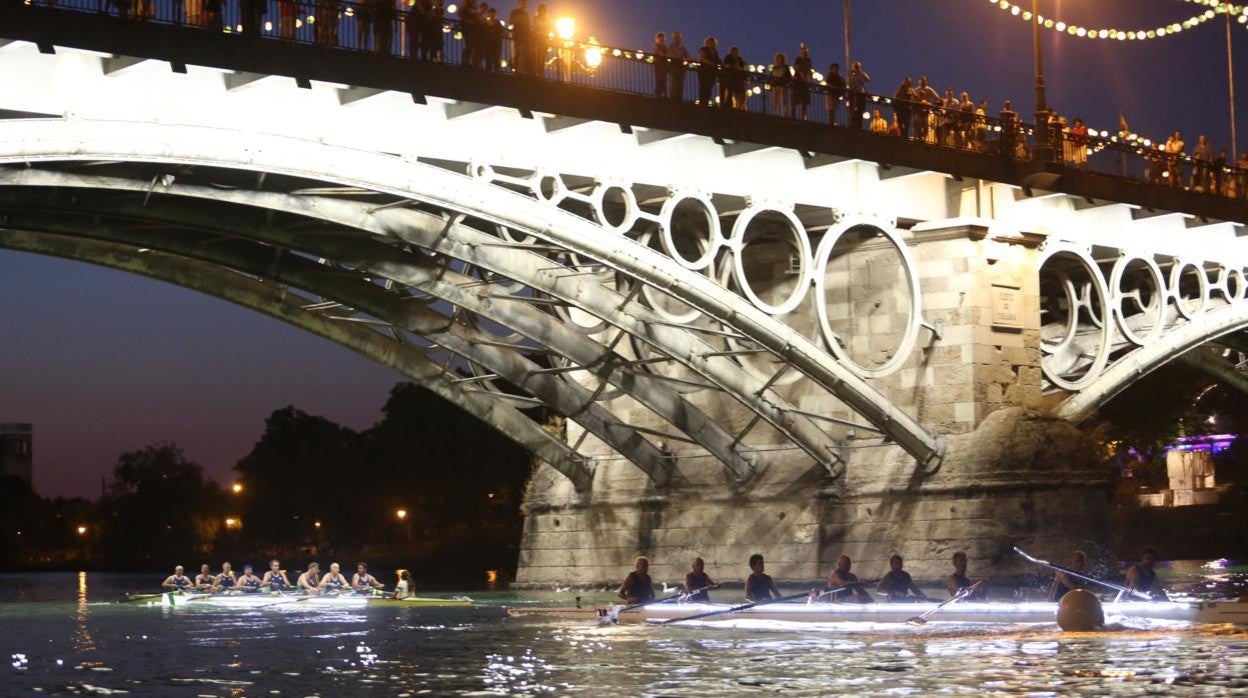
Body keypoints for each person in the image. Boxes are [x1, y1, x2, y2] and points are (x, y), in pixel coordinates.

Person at [791, 43, 812, 121]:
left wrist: (811, 80)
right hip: (797, 81)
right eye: (803, 53)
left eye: (805, 53)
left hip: (804, 83)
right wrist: (803, 78)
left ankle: (803, 117)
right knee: (795, 99)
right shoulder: (798, 59)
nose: (804, 54)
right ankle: (793, 116)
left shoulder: (808, 60)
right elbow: (797, 69)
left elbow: (809, 70)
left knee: (804, 101)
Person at [696, 37, 720, 107]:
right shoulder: (703, 49)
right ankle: (702, 103)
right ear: (707, 43)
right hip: (704, 71)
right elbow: (702, 58)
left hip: (712, 73)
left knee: (709, 88)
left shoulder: (715, 51)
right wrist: (711, 63)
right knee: (703, 87)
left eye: (713, 43)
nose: (712, 44)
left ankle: (706, 102)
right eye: (711, 43)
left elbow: (718, 60)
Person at [666, 32, 689, 102]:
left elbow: (687, 56)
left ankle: (679, 98)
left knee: (680, 82)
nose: (677, 38)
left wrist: (693, 59)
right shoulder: (671, 45)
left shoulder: (683, 47)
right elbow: (669, 53)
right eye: (675, 37)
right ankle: (673, 98)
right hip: (674, 65)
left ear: (680, 38)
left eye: (678, 37)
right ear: (673, 38)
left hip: (680, 66)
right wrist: (677, 58)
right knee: (674, 82)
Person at [509, 0, 530, 75]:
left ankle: (520, 70)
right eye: (523, 3)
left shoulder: (526, 14)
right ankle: (515, 69)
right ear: (519, 3)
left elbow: (528, 26)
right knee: (516, 53)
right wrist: (518, 20)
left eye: (525, 3)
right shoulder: (514, 12)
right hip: (517, 35)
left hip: (524, 37)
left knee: (522, 54)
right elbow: (510, 21)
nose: (524, 5)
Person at [847, 61, 869, 130]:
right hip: (853, 94)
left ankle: (859, 125)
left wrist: (860, 73)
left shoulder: (862, 74)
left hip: (861, 94)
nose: (856, 68)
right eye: (855, 66)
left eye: (857, 66)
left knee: (860, 110)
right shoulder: (851, 75)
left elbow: (867, 79)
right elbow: (849, 83)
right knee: (853, 110)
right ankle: (853, 125)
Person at [770, 52, 790, 118]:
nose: (779, 60)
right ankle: (774, 113)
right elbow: (771, 77)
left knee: (783, 100)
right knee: (774, 100)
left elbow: (788, 77)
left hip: (782, 85)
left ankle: (784, 114)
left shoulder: (785, 67)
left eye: (781, 58)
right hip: (775, 85)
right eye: (778, 59)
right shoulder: (774, 68)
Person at [651, 33, 668, 99]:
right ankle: (658, 94)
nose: (662, 39)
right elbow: (659, 52)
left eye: (663, 38)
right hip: (658, 64)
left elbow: (667, 53)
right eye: (661, 38)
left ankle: (663, 94)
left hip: (664, 64)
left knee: (664, 79)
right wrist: (664, 55)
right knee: (659, 79)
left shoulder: (664, 46)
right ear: (658, 38)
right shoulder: (655, 45)